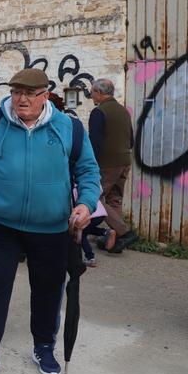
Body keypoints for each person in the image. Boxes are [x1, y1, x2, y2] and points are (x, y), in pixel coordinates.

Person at [0, 68, 101, 374]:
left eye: (30, 93)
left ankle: (44, 347)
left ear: (45, 96)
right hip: (0, 223)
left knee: (47, 289)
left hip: (52, 227)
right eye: (17, 92)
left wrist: (85, 204)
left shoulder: (68, 128)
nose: (22, 99)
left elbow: (88, 171)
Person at [45, 93, 117, 267]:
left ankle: (89, 255)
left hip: (83, 188)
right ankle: (109, 232)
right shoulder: (119, 110)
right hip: (119, 164)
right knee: (112, 200)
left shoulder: (93, 115)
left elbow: (93, 148)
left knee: (79, 226)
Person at [88, 78, 136, 253]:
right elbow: (131, 139)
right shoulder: (123, 111)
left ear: (99, 93)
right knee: (114, 199)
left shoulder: (99, 112)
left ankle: (124, 232)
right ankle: (115, 241)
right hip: (125, 160)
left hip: (107, 164)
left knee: (95, 197)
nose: (90, 95)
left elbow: (95, 143)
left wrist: (90, 166)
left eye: (92, 92)